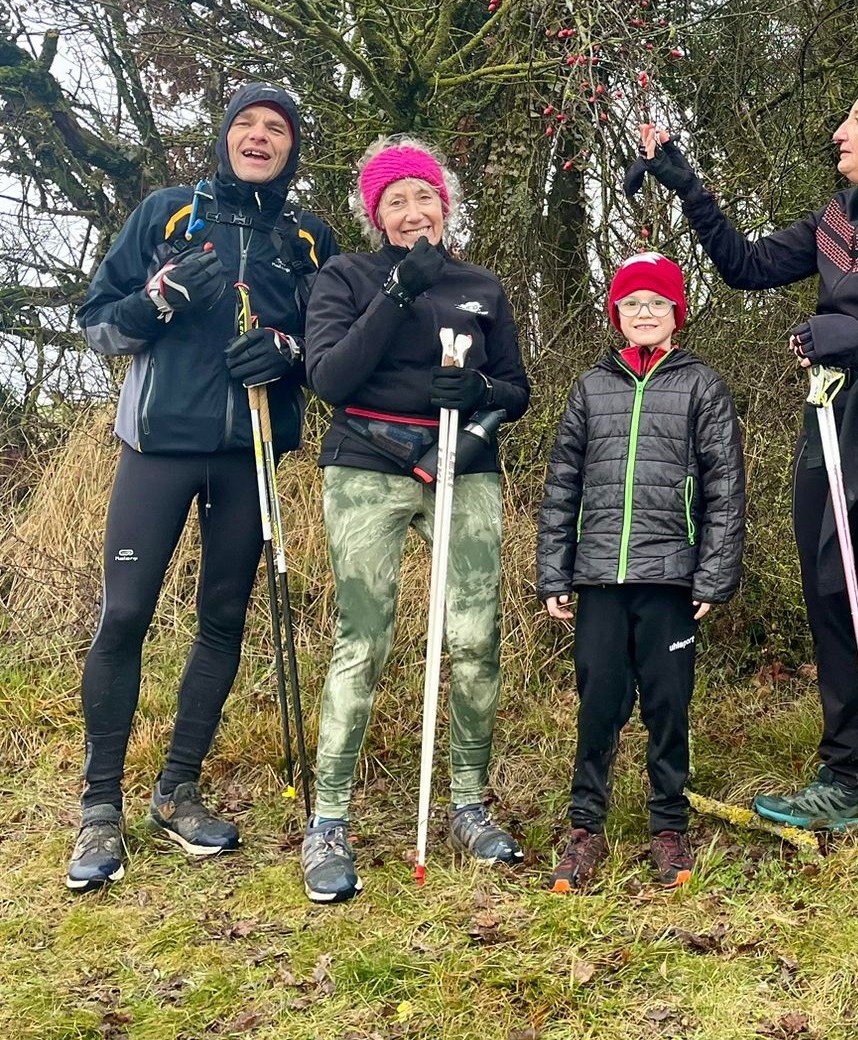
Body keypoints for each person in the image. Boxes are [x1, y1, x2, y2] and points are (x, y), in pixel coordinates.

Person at [627, 65, 858, 886]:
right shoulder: (833, 219)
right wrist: (686, 181)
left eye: (855, 120)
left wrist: (852, 341)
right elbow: (746, 265)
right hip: (830, 432)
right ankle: (844, 780)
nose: (839, 132)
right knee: (833, 605)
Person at [70, 83, 339, 891]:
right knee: (125, 614)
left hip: (249, 450)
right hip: (159, 445)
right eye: (247, 125)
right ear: (225, 138)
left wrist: (288, 351)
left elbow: (331, 352)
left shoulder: (308, 237)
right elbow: (98, 325)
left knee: (222, 618)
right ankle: (99, 809)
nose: (261, 137)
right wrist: (158, 300)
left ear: (292, 150)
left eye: (278, 129)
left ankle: (176, 791)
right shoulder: (165, 213)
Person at [296, 135, 530, 904]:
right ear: (376, 215)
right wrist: (398, 291)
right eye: (394, 200)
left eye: (422, 196)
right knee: (363, 638)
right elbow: (328, 375)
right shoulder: (345, 276)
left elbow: (518, 389)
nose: (411, 211)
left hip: (464, 464)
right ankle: (328, 822)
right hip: (365, 465)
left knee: (474, 635)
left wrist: (482, 397)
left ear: (445, 205)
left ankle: (468, 803)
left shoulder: (484, 286)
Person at [536, 253, 745, 892]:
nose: (645, 313)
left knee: (667, 703)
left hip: (671, 579)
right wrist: (555, 573)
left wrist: (713, 576)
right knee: (598, 703)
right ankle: (584, 829)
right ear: (617, 314)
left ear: (676, 314)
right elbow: (562, 483)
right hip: (597, 576)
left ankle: (668, 825)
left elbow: (725, 487)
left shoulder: (702, 385)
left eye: (657, 302)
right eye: (633, 304)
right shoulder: (590, 386)